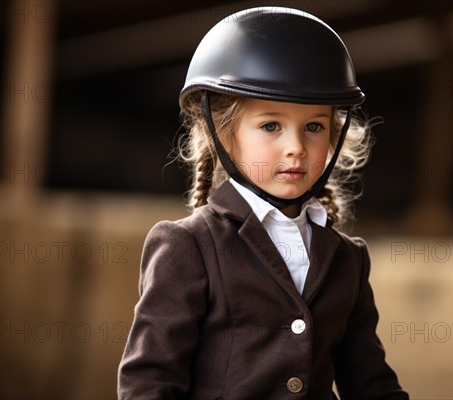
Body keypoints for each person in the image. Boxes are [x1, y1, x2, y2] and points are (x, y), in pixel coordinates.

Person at [118, 6, 408, 400]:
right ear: (222, 132)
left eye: (314, 127)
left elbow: (372, 384)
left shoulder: (348, 260)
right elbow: (149, 384)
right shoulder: (187, 247)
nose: (296, 148)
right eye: (271, 126)